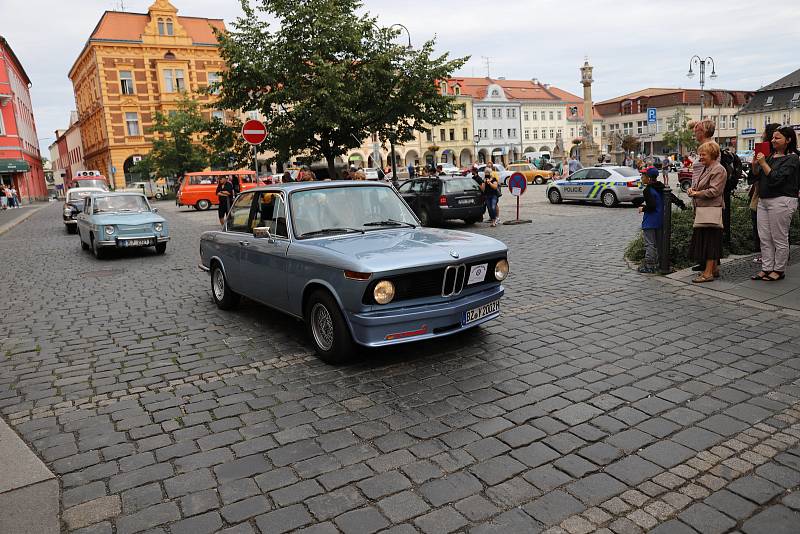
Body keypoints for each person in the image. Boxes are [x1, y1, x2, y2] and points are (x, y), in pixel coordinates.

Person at [750, 126, 800, 281]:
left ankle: (779, 269)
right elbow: (756, 177)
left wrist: (763, 163)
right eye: (772, 138)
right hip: (764, 200)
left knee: (779, 237)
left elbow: (776, 178)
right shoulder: (770, 156)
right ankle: (766, 267)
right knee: (764, 237)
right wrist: (755, 165)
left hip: (782, 200)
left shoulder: (792, 158)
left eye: (777, 138)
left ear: (788, 140)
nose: (772, 140)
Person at [687, 141, 726, 283]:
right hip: (704, 209)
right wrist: (692, 190)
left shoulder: (718, 169)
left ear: (712, 155)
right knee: (708, 240)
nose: (700, 157)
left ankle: (708, 273)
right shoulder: (707, 168)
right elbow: (700, 187)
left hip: (711, 210)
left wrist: (696, 193)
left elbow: (714, 191)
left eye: (703, 155)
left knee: (710, 241)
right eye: (699, 154)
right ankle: (713, 269)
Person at [747, 123, 781, 257]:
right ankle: (769, 257)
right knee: (766, 230)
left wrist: (760, 165)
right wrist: (755, 166)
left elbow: (770, 177)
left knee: (770, 231)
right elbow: (754, 175)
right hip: (761, 195)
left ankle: (773, 258)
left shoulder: (781, 156)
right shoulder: (763, 153)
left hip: (768, 196)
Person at [638, 167, 664, 274]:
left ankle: (649, 265)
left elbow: (652, 205)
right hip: (659, 219)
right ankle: (658, 264)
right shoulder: (660, 187)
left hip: (650, 221)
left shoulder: (647, 190)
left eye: (643, 176)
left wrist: (643, 208)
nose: (641, 177)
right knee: (658, 243)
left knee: (649, 244)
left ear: (648, 178)